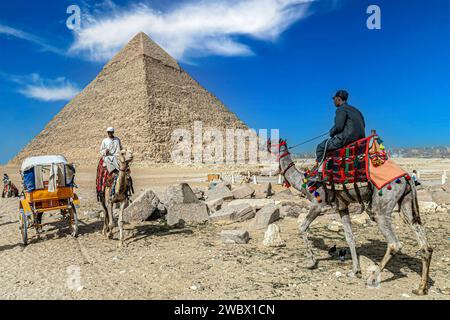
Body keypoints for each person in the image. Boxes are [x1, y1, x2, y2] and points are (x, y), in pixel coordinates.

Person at [315, 90, 366, 164]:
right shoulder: (357, 111)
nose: (334, 101)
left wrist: (331, 132)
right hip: (361, 139)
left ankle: (320, 171)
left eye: (334, 99)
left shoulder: (341, 109)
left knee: (320, 147)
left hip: (346, 139)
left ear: (339, 99)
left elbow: (339, 126)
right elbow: (363, 125)